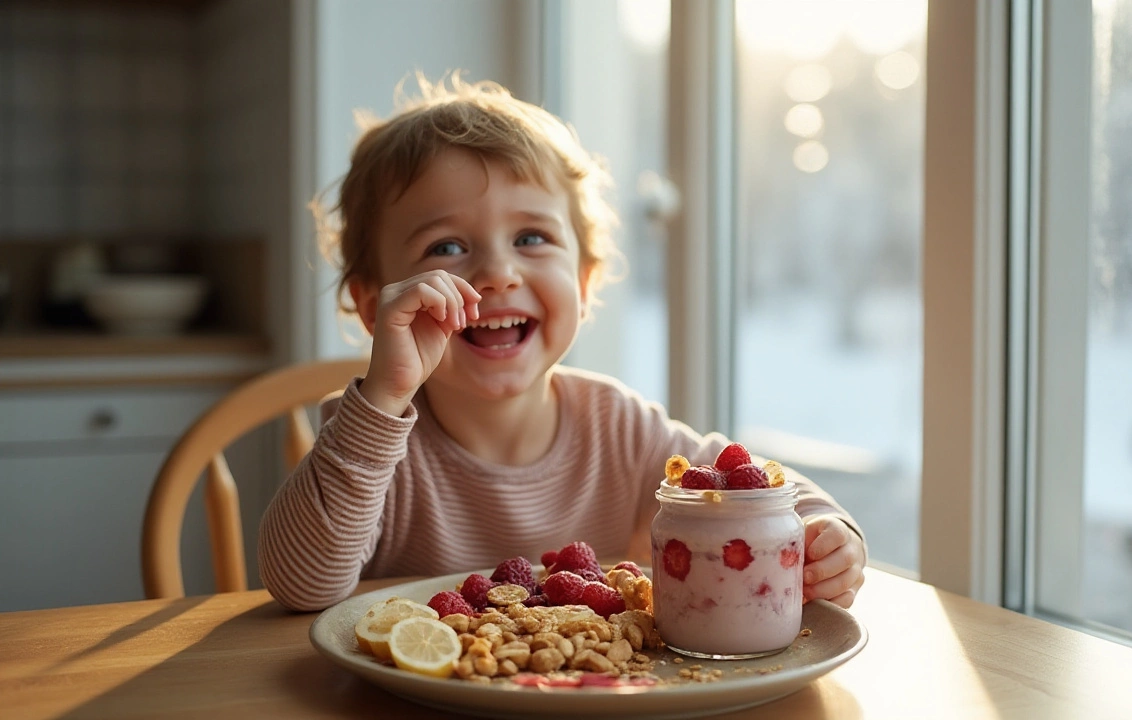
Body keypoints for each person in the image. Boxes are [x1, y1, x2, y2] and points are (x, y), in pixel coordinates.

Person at [258, 74, 867, 612]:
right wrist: (383, 397)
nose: (498, 273)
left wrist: (822, 531)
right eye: (446, 248)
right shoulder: (370, 437)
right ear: (376, 306)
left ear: (583, 280)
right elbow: (301, 586)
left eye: (531, 237)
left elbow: (744, 483)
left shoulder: (619, 428)